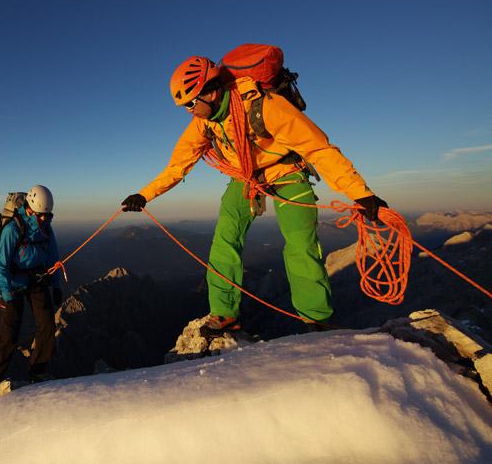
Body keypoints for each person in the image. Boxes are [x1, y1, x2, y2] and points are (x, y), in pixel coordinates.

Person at [121, 54, 387, 332]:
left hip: (287, 173)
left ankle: (317, 319)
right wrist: (144, 195)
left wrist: (361, 194)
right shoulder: (205, 122)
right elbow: (178, 166)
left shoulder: (265, 106)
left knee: (300, 245)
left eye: (190, 103)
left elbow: (318, 149)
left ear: (210, 93)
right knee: (225, 241)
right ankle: (224, 314)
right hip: (246, 179)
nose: (188, 110)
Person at [0, 184, 64, 383]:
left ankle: (37, 372)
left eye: (47, 216)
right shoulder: (14, 229)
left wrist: (56, 286)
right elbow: (0, 265)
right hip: (12, 284)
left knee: (47, 325)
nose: (43, 220)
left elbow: (53, 257)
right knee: (9, 337)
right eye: (40, 215)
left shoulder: (46, 228)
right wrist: (7, 295)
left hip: (36, 280)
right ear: (29, 209)